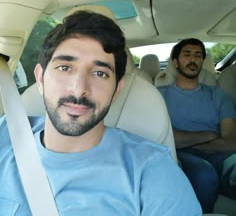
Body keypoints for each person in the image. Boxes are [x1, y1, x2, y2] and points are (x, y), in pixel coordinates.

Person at [0, 11, 201, 215]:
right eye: (64, 67)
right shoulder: (7, 131)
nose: (79, 89)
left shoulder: (153, 173)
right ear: (40, 79)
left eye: (100, 73)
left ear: (116, 90)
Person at [158, 38, 236, 213]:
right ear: (175, 62)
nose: (193, 60)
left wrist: (186, 139)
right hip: (179, 155)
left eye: (198, 55)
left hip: (221, 154)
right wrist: (208, 135)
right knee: (204, 174)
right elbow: (164, 137)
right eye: (187, 54)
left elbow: (231, 140)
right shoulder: (159, 96)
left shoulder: (218, 96)